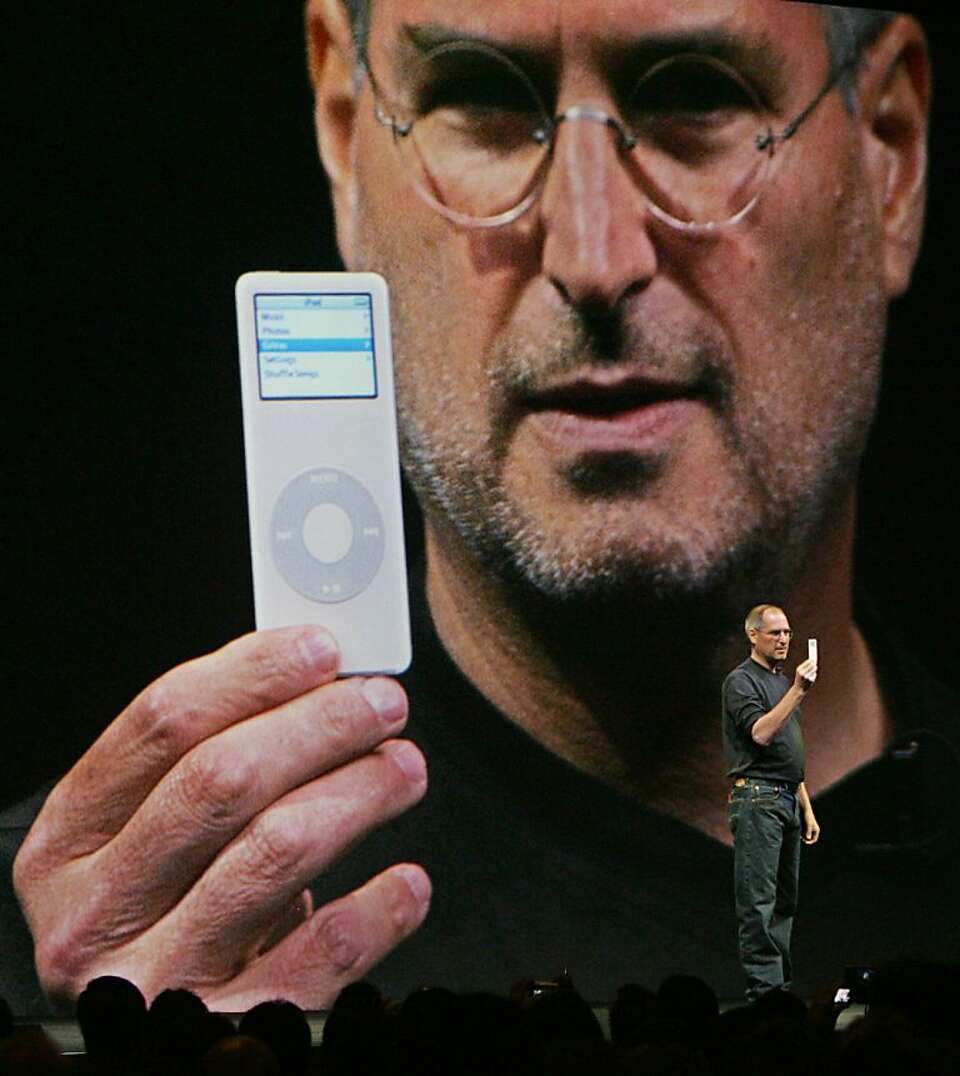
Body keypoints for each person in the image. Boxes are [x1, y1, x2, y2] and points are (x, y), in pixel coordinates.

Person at [2, 0, 959, 1018]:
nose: (592, 256)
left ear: (890, 153)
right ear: (344, 143)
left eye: (695, 99)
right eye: (483, 105)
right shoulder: (87, 958)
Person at [723, 604, 819, 1001]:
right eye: (774, 633)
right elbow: (761, 735)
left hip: (786, 799)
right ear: (753, 635)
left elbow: (786, 754)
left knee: (783, 904)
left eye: (787, 633)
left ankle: (780, 993)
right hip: (758, 799)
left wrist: (806, 807)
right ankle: (765, 997)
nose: (783, 640)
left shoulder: (781, 684)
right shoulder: (741, 681)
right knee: (758, 905)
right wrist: (798, 691)